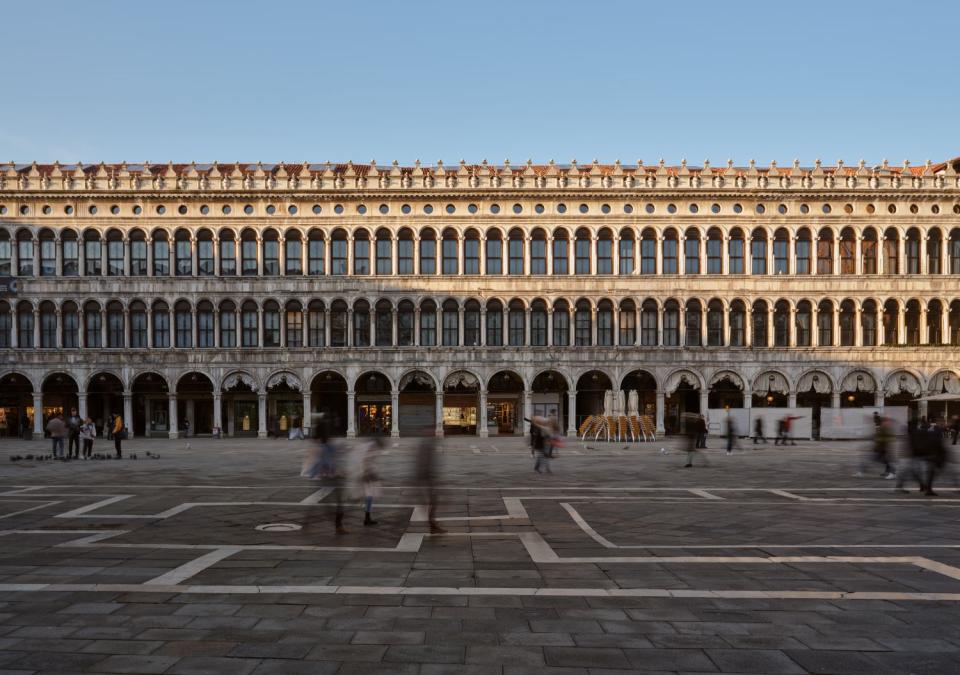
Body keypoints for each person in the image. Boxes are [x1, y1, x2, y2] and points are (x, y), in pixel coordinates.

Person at [415, 429, 444, 533]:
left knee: (432, 500)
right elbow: (423, 462)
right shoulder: (426, 445)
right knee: (433, 500)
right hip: (425, 477)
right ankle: (432, 525)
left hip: (426, 477)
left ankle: (432, 524)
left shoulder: (427, 444)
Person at [359, 436, 382, 526]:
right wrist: (367, 473)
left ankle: (367, 517)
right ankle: (367, 518)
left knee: (369, 497)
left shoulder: (372, 449)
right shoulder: (371, 449)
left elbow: (369, 462)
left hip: (369, 476)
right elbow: (365, 461)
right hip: (368, 477)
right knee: (369, 497)